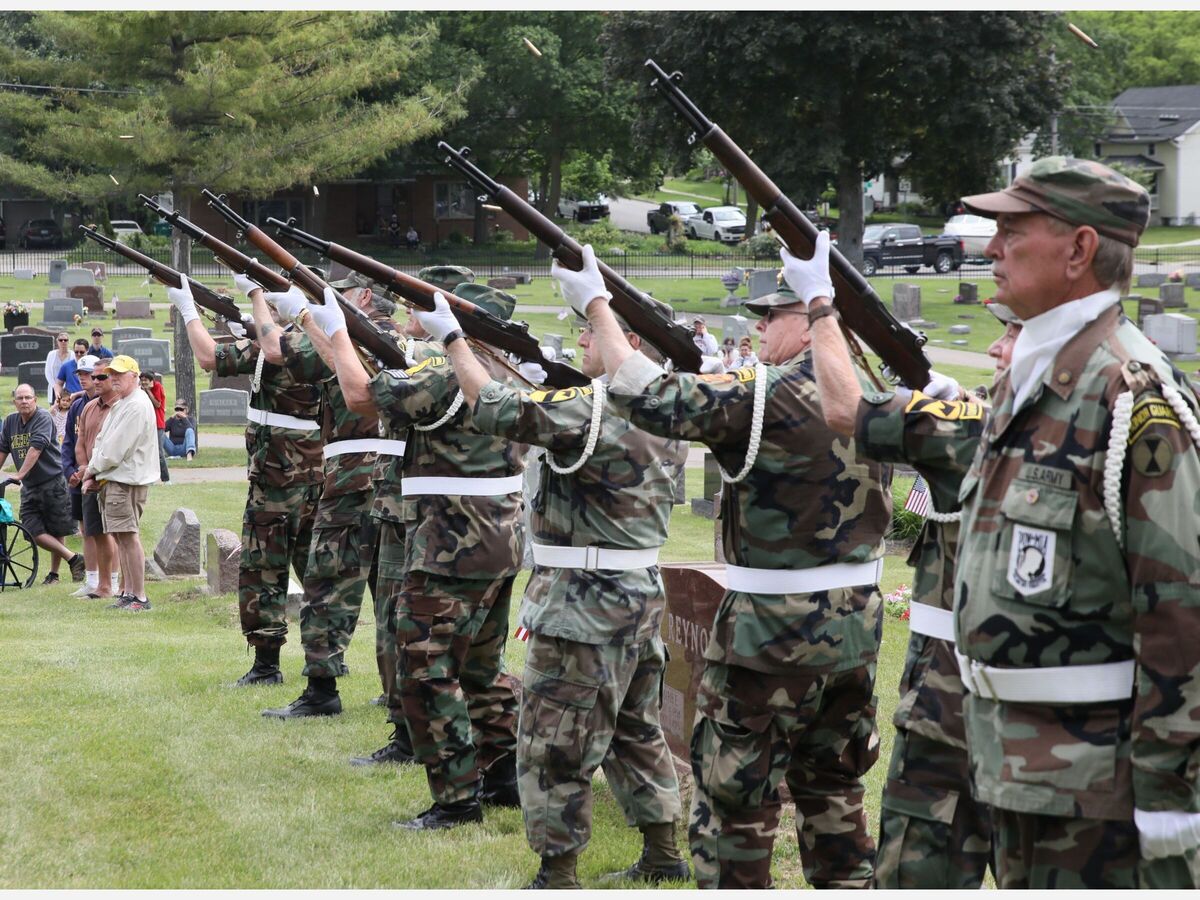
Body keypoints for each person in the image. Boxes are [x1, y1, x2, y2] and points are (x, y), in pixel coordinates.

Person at [562, 244, 890, 889]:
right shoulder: (871, 392)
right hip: (853, 632)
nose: (759, 327)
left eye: (773, 315)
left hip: (769, 638)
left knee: (735, 801)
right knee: (834, 790)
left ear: (812, 319)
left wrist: (596, 304)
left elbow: (646, 394)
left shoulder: (768, 393)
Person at [950, 157, 1200, 888]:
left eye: (1012, 230)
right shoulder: (1036, 377)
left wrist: (1169, 800)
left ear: (1080, 250)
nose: (990, 248)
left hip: (1101, 791)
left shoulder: (1127, 395)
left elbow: (1180, 613)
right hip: (1020, 768)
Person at [426, 291, 690, 888]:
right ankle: (662, 851)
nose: (582, 343)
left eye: (593, 334)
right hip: (639, 595)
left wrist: (451, 339)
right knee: (635, 729)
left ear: (633, 345)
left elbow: (492, 409)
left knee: (552, 742)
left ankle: (559, 871)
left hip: (580, 604)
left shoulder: (588, 409)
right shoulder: (667, 410)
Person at [809, 285, 1024, 887]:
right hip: (1020, 712)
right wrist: (962, 405)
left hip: (951, 702)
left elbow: (842, 408)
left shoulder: (995, 430)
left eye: (1011, 337)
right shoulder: (1026, 423)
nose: (996, 349)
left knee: (916, 873)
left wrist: (820, 308)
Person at [319, 283, 523, 832]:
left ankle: (457, 799)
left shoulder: (447, 373)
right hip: (498, 536)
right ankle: (505, 776)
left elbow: (360, 396)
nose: (418, 314)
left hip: (449, 542)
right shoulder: (508, 371)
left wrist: (336, 328)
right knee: (482, 668)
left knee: (424, 668)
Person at [243, 276, 393, 719]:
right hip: (396, 482)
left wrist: (299, 315)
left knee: (328, 585)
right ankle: (398, 692)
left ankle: (322, 690)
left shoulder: (348, 341)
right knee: (392, 589)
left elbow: (279, 351)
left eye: (341, 294)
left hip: (352, 477)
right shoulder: (400, 343)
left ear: (364, 298)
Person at [167, 278, 322, 684]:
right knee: (317, 572)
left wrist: (188, 310)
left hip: (275, 474)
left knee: (262, 569)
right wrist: (251, 322)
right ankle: (324, 667)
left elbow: (206, 356)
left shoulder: (281, 348)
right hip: (315, 472)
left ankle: (267, 666)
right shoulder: (325, 347)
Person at [75, 355, 158, 611]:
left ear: (135, 375)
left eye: (119, 374)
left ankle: (139, 597)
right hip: (116, 478)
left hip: (126, 479)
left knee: (128, 536)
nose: (113, 379)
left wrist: (91, 472)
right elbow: (102, 440)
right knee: (121, 538)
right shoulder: (124, 402)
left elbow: (115, 449)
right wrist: (95, 472)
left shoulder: (135, 405)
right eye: (111, 374)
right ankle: (128, 592)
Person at [0, 384, 86, 585]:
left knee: (56, 529)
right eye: (20, 398)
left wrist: (20, 474)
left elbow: (35, 449)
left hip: (53, 481)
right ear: (15, 402)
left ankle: (54, 574)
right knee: (30, 529)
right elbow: (3, 449)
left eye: (28, 397)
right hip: (30, 486)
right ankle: (74, 558)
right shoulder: (11, 422)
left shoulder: (43, 418)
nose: (24, 401)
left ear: (35, 400)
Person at [67, 357, 118, 600]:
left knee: (115, 532)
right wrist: (84, 469)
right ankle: (98, 583)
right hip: (90, 478)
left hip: (112, 478)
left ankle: (114, 583)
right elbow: (80, 442)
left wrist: (92, 471)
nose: (95, 381)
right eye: (93, 376)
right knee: (93, 531)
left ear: (113, 378)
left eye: (101, 377)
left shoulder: (121, 406)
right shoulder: (88, 407)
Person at [139, 371, 169, 483]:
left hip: (158, 424)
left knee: (159, 453)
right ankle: (149, 479)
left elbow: (158, 404)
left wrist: (147, 390)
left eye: (146, 380)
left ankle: (166, 479)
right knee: (147, 452)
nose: (143, 382)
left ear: (151, 381)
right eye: (142, 380)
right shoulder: (140, 390)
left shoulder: (157, 387)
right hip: (146, 425)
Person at [44, 332, 71, 405]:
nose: (63, 342)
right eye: (61, 340)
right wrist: (55, 386)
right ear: (57, 341)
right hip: (54, 387)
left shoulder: (73, 355)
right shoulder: (51, 354)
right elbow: (48, 372)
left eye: (65, 340)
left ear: (68, 341)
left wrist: (64, 388)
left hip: (68, 389)